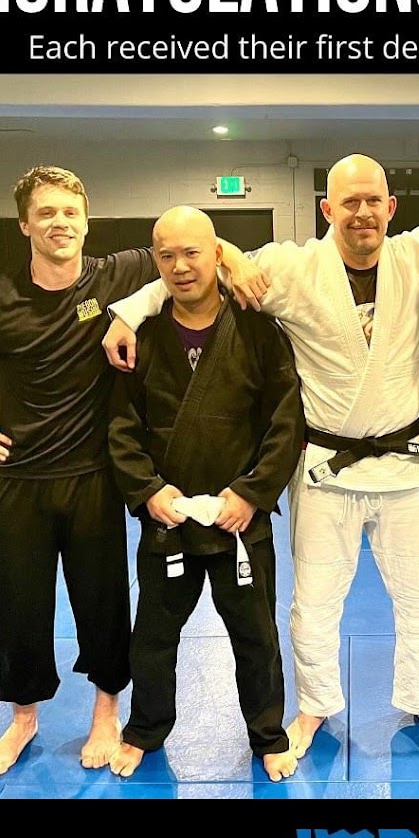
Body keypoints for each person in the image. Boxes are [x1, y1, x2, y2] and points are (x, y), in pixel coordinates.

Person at [102, 154, 419, 759]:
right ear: (328, 209)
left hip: (405, 462)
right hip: (325, 465)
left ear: (391, 208)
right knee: (314, 602)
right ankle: (315, 705)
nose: (363, 212)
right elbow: (192, 271)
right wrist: (128, 312)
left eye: (374, 201)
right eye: (349, 201)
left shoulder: (418, 254)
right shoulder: (290, 268)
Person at [0, 165, 158, 775]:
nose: (60, 222)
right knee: (19, 605)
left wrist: (130, 314)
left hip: (93, 478)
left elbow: (195, 250)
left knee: (103, 602)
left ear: (87, 220)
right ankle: (23, 718)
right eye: (46, 212)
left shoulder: (116, 275)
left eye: (70, 212)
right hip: (19, 480)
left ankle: (106, 711)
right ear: (24, 224)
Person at [107, 207, 303, 782]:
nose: (180, 266)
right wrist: (148, 491)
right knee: (153, 636)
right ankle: (145, 729)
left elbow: (285, 421)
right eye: (166, 255)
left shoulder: (258, 330)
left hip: (240, 521)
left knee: (256, 636)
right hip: (168, 519)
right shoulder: (142, 335)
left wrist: (252, 494)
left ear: (218, 254)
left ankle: (268, 735)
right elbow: (122, 425)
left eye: (191, 252)